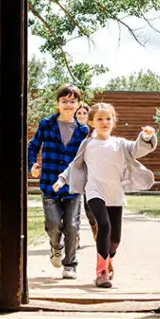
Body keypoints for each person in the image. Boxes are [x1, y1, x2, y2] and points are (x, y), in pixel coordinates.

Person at [53, 102, 157, 287]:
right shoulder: (88, 144)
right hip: (94, 191)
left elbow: (137, 149)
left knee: (115, 239)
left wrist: (146, 136)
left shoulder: (120, 144)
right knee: (104, 225)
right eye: (99, 119)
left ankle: (109, 258)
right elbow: (75, 165)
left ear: (113, 121)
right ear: (92, 122)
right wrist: (61, 180)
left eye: (108, 118)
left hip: (115, 193)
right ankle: (101, 272)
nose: (104, 122)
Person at [28, 85, 88, 279]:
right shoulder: (47, 124)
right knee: (53, 224)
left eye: (72, 101)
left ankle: (70, 264)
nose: (68, 105)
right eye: (64, 101)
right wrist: (32, 165)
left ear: (78, 104)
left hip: (73, 186)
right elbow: (33, 146)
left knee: (72, 225)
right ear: (58, 103)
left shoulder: (83, 131)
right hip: (49, 183)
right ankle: (56, 247)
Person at [72, 102, 97, 248]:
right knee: (74, 207)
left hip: (90, 175)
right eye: (79, 113)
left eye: (84, 113)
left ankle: (95, 229)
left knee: (90, 207)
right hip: (75, 173)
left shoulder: (93, 134)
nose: (81, 116)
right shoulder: (71, 131)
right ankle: (76, 237)